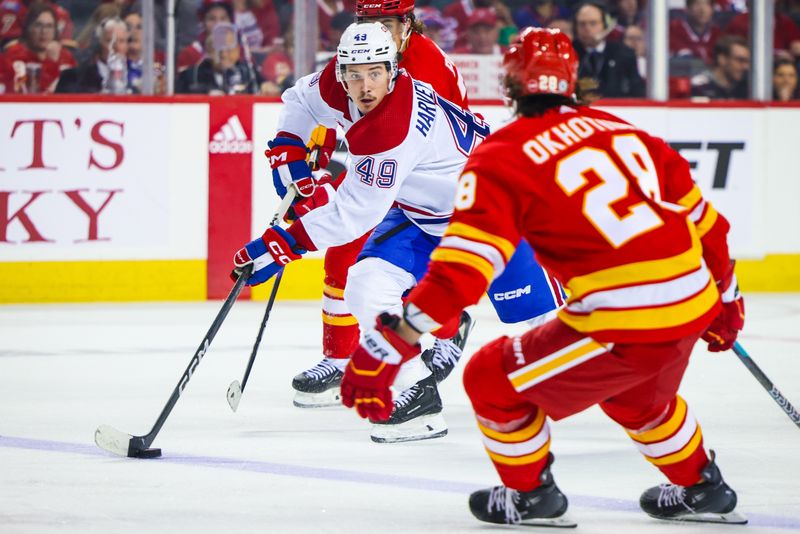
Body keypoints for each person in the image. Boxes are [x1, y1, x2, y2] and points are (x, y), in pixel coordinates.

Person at [339, 27, 746, 527]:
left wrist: (391, 345)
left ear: (509, 86)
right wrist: (727, 301)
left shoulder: (503, 154)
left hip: (624, 320)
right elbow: (709, 226)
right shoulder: (627, 133)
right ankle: (703, 488)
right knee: (638, 399)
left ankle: (533, 498)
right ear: (573, 81)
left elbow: (461, 273)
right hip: (693, 300)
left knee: (490, 379)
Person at [233, 21, 490, 443]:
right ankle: (388, 377)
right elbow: (302, 99)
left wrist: (282, 244)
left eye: (375, 73)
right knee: (361, 278)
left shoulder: (408, 94)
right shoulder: (347, 80)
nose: (365, 85)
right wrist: (288, 147)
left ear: (395, 65)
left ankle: (633, 369)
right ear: (341, 72)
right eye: (355, 74)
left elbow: (353, 208)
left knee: (547, 313)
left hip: (485, 210)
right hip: (417, 202)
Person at [283, 0, 473, 413]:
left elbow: (404, 137)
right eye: (368, 22)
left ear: (407, 25)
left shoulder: (423, 66)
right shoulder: (366, 53)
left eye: (386, 23)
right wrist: (317, 142)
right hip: (388, 164)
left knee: (408, 275)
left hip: (429, 181)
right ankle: (338, 358)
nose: (377, 31)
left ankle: (450, 327)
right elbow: (341, 102)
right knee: (342, 256)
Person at [573, 1, 645, 98]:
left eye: (593, 23)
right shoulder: (569, 53)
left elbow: (637, 91)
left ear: (605, 25)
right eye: (582, 24)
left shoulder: (624, 54)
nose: (587, 28)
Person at [3, 3, 76, 94]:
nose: (44, 31)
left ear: (55, 30)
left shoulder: (65, 56)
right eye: (38, 25)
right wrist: (51, 62)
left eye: (49, 26)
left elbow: (76, 89)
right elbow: (33, 94)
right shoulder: (14, 56)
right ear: (28, 28)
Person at [176, 22, 263, 94]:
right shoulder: (191, 76)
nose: (224, 54)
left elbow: (266, 88)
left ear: (237, 51)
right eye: (218, 49)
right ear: (208, 50)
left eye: (229, 49)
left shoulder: (250, 72)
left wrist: (268, 87)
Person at [56, 17, 130, 94]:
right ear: (99, 43)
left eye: (121, 41)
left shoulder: (138, 77)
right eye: (110, 41)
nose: (116, 47)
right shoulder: (72, 78)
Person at [178, 0, 234, 72]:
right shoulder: (190, 53)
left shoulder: (239, 51)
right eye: (212, 19)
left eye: (223, 18)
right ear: (203, 22)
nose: (218, 24)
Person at [691, 34, 749, 99]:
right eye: (740, 60)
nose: (746, 67)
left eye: (747, 61)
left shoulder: (748, 87)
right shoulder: (700, 86)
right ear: (722, 59)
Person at [669, 0, 721, 65]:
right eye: (697, 4)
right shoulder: (674, 30)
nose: (702, 10)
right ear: (687, 8)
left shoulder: (717, 33)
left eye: (707, 4)